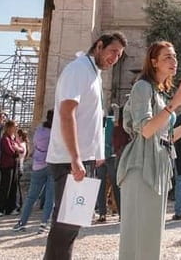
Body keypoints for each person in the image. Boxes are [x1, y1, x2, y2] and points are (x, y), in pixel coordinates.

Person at [117, 41, 181, 260]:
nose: (174, 61)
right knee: (139, 233)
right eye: (167, 57)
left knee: (152, 233)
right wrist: (173, 106)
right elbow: (146, 129)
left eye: (175, 56)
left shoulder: (159, 93)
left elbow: (169, 137)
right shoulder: (142, 87)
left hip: (159, 165)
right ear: (154, 62)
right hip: (141, 165)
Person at [44, 32, 126, 260]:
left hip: (83, 158)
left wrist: (96, 154)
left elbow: (90, 118)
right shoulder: (78, 69)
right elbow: (67, 112)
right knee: (66, 224)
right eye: (112, 51)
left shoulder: (93, 73)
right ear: (99, 46)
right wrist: (75, 157)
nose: (115, 58)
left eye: (119, 55)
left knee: (73, 222)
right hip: (69, 159)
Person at [14, 109, 54, 233]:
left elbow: (34, 145)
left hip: (38, 164)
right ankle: (44, 224)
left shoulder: (39, 131)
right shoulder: (55, 132)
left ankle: (22, 222)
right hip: (52, 164)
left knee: (31, 196)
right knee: (50, 197)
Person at [0, 120, 24, 216]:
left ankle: (10, 208)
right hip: (7, 166)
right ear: (9, 127)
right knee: (5, 187)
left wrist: (17, 148)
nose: (16, 128)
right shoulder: (5, 139)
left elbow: (22, 149)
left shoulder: (14, 138)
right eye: (15, 126)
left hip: (14, 164)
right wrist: (16, 149)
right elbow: (10, 151)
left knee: (13, 187)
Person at [95, 113, 120, 223]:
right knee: (115, 186)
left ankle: (102, 213)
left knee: (102, 186)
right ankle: (120, 213)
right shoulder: (113, 122)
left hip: (102, 156)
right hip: (110, 156)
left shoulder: (97, 122)